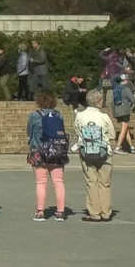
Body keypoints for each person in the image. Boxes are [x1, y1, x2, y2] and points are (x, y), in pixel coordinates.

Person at [74, 89, 116, 222]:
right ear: (98, 101)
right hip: (104, 152)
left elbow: (77, 132)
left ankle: (94, 212)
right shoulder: (104, 116)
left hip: (87, 152)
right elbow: (113, 135)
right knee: (104, 183)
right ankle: (106, 212)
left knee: (91, 182)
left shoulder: (80, 116)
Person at [27, 90, 69, 222]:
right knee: (58, 182)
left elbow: (30, 131)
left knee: (41, 182)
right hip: (57, 151)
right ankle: (61, 211)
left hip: (39, 152)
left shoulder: (35, 115)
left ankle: (40, 211)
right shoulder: (58, 114)